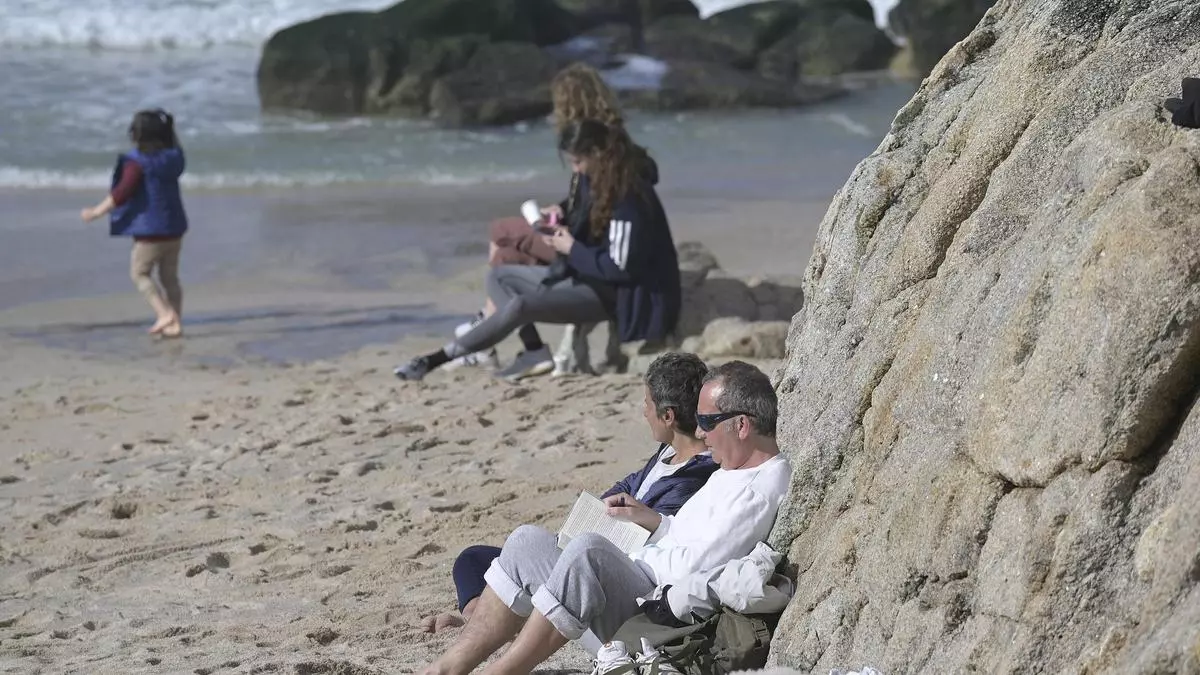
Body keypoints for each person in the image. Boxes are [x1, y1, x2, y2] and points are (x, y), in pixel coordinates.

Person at [417, 361, 792, 675]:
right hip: (643, 585)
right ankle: (447, 667)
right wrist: (654, 522)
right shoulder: (732, 470)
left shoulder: (757, 490)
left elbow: (691, 571)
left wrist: (627, 557)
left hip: (657, 614)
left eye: (707, 421)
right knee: (526, 542)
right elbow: (686, 534)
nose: (699, 432)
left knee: (589, 552)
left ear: (741, 425)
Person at [421, 351, 717, 633]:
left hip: (603, 572)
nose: (644, 411)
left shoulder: (695, 476)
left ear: (668, 416)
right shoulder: (669, 451)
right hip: (586, 549)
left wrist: (613, 515)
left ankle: (494, 624)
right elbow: (627, 486)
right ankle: (481, 618)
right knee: (473, 560)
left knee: (515, 552)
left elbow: (644, 538)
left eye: (647, 404)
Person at [393, 119, 681, 382]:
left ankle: (434, 360)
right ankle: (533, 349)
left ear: (597, 153)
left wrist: (571, 248)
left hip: (621, 295)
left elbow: (619, 268)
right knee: (498, 276)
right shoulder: (594, 179)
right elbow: (586, 216)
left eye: (578, 161)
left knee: (521, 305)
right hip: (586, 277)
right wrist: (561, 215)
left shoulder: (628, 197)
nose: (575, 169)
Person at [455, 63, 657, 376]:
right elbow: (595, 195)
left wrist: (569, 227)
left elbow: (614, 195)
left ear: (570, 103)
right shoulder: (608, 137)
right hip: (581, 233)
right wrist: (563, 208)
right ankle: (509, 340)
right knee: (505, 255)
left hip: (586, 245)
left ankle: (493, 332)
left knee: (501, 233)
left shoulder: (597, 141)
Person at [80, 108, 188, 338]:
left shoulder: (138, 162)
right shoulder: (174, 157)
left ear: (136, 135)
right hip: (175, 229)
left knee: (140, 273)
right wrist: (171, 130)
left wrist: (96, 212)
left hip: (151, 232)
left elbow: (122, 193)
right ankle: (175, 323)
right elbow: (175, 145)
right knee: (169, 277)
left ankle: (164, 314)